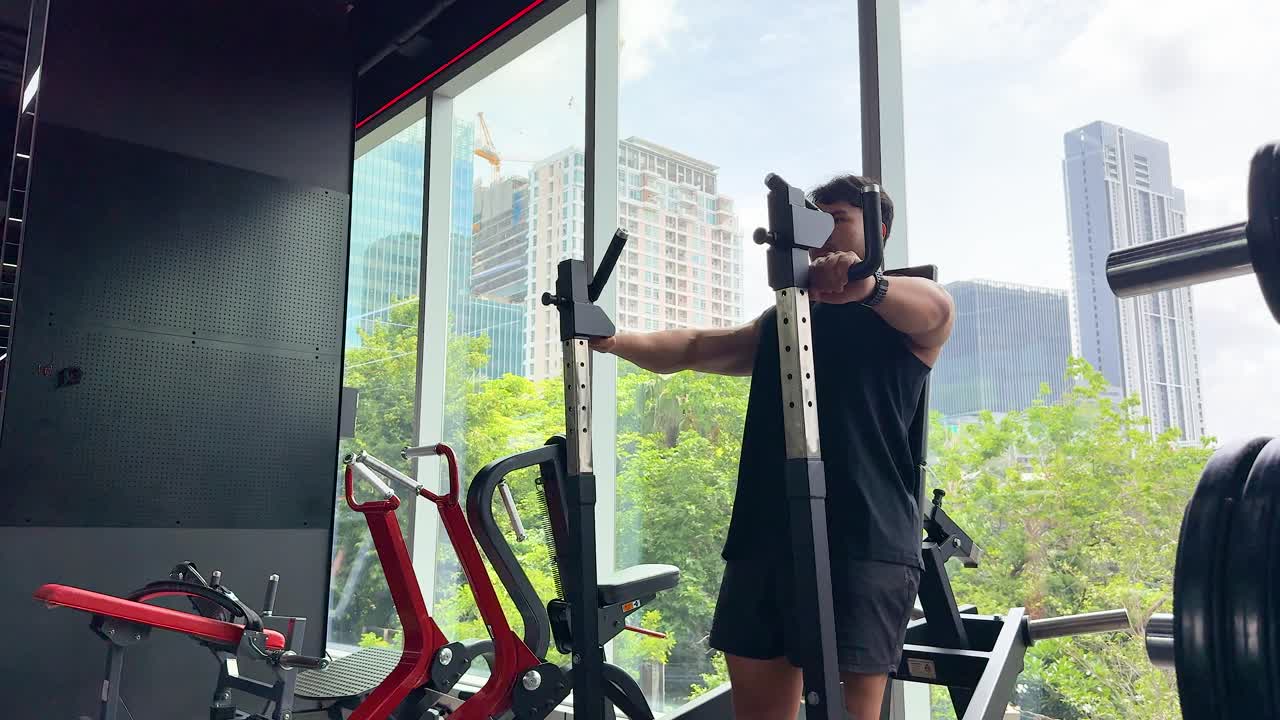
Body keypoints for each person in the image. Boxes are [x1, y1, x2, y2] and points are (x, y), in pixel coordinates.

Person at [591, 175, 954, 719]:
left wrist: (866, 285)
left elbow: (938, 309)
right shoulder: (783, 321)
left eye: (838, 221)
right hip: (764, 534)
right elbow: (691, 346)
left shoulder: (903, 314)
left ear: (877, 232)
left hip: (863, 540)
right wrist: (610, 340)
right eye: (815, 223)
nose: (822, 237)